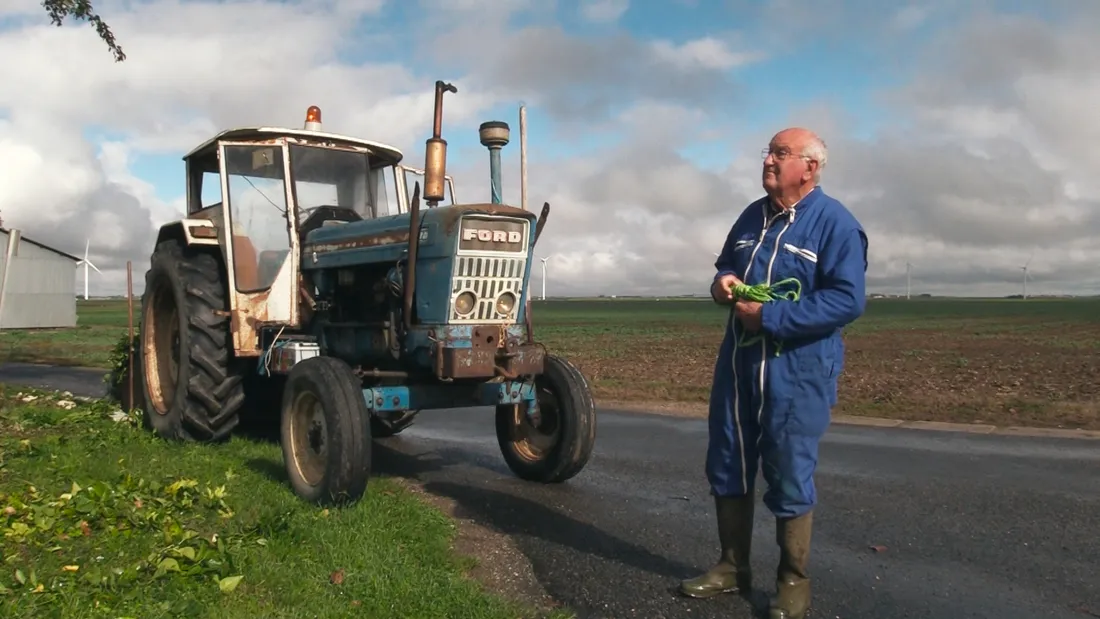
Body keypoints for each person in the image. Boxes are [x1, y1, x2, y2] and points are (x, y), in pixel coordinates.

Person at [678, 128, 868, 619]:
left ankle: (793, 581)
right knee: (728, 459)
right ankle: (731, 566)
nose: (769, 160)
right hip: (739, 361)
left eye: (781, 153)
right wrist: (722, 284)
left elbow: (848, 300)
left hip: (798, 368)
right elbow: (725, 265)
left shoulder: (836, 224)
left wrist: (771, 317)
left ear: (810, 167)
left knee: (788, 470)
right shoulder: (750, 215)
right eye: (768, 151)